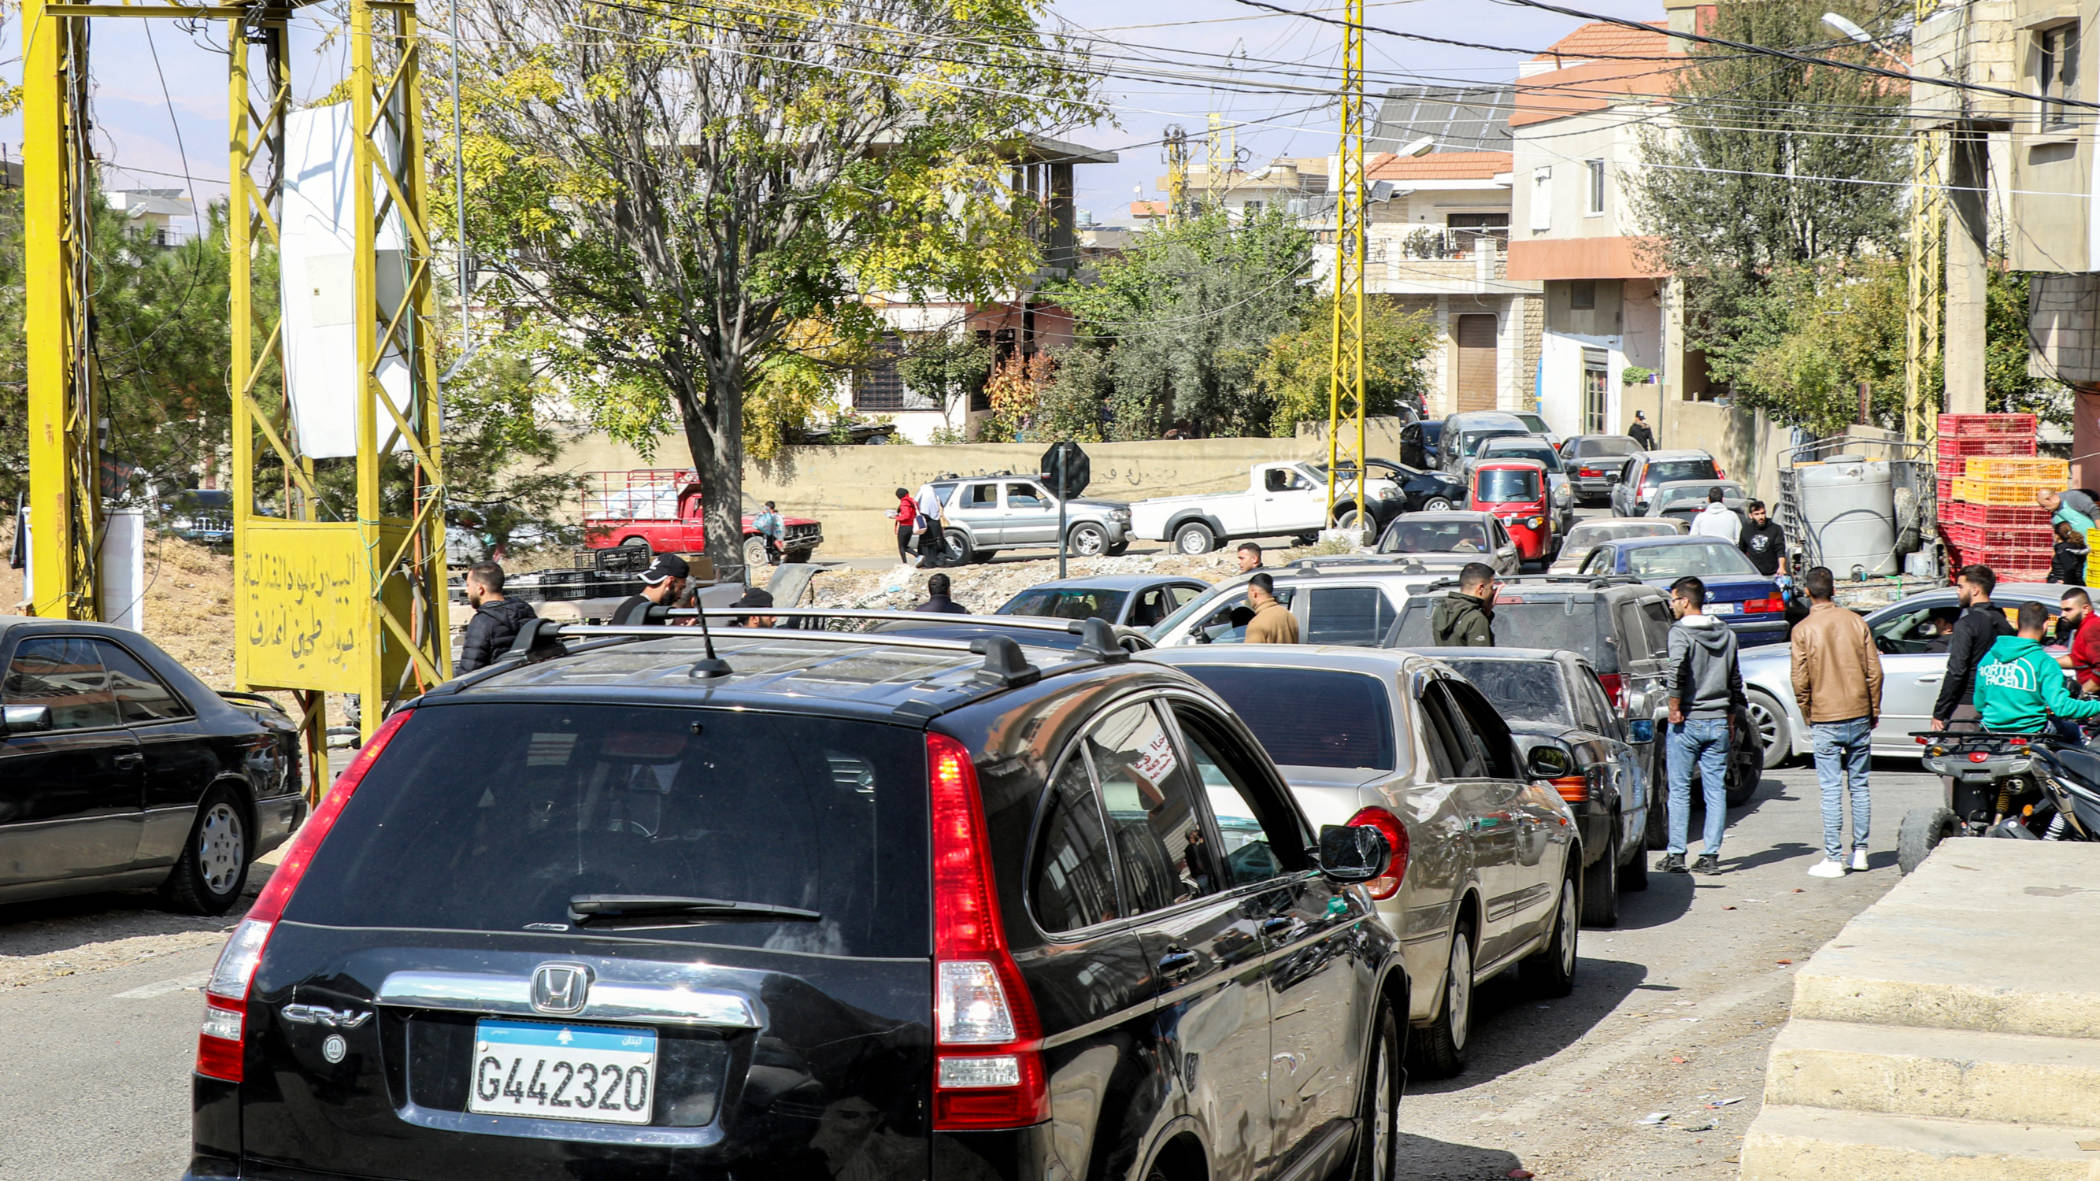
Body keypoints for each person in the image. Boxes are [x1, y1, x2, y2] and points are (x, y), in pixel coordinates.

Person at [1790, 566, 1883, 878]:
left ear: (1807, 592)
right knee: (1859, 785)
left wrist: (1807, 712)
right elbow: (1875, 671)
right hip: (1858, 711)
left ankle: (1833, 857)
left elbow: (1800, 680)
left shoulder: (1802, 630)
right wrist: (1874, 708)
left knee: (1830, 788)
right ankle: (1861, 852)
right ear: (1834, 590)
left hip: (1825, 715)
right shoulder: (1857, 622)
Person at [1660, 575, 1745, 876]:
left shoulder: (1679, 633)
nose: (1672, 606)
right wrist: (1731, 718)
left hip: (1687, 721)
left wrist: (1673, 707)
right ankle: (1710, 856)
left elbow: (1677, 669)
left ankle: (1676, 855)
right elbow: (1735, 679)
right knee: (1715, 791)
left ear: (1685, 600)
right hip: (1720, 720)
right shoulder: (1726, 632)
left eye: (1673, 599)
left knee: (1680, 790)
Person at [1974, 601, 2100, 737]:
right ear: (2046, 625)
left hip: (1990, 730)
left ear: (2017, 624)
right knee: (2075, 732)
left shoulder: (1989, 657)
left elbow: (1979, 704)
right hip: (2032, 731)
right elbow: (2062, 708)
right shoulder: (2044, 662)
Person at [1929, 565, 2014, 732]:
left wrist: (1939, 712)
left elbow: (1956, 670)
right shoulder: (2003, 622)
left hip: (1968, 703)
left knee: (1956, 754)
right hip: (1999, 701)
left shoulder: (1966, 624)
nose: (1958, 592)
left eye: (1961, 587)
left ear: (1975, 590)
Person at [456, 561, 539, 674]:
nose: (466, 590)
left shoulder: (482, 622)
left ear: (480, 589)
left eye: (468, 585)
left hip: (494, 686)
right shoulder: (525, 610)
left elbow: (468, 671)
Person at [1429, 562, 1497, 646]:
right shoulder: (1476, 618)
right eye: (1491, 587)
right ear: (1481, 588)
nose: (1493, 592)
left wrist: (1486, 611)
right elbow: (1481, 656)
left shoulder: (1441, 610)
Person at [614, 553, 690, 623]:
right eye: (680, 588)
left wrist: (675, 625)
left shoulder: (630, 605)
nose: (680, 596)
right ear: (670, 582)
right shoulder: (649, 612)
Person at [2061, 588, 2100, 697]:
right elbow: (2079, 659)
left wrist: (2082, 693)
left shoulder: (2092, 628)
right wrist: (2048, 661)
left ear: (2085, 609)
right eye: (2062, 610)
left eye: (2068, 610)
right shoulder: (2084, 628)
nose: (2062, 614)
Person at [1243, 573, 1299, 643]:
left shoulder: (1257, 624)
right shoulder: (1288, 615)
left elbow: (1250, 653)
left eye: (1248, 592)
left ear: (1254, 593)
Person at [1740, 500, 1787, 578]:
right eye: (1757, 514)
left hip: (1773, 572)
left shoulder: (1775, 529)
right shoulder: (1746, 530)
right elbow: (1742, 551)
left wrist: (1781, 567)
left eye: (1762, 513)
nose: (1761, 517)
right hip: (1754, 574)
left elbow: (1780, 550)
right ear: (1751, 516)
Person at [914, 481, 948, 569]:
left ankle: (928, 562)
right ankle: (938, 561)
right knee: (936, 544)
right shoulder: (936, 497)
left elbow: (922, 511)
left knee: (926, 545)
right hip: (936, 523)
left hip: (927, 525)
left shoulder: (924, 499)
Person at [2051, 519, 2088, 587]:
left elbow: (2069, 568)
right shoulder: (2078, 546)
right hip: (2078, 582)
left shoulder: (2063, 550)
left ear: (2057, 536)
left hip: (2062, 586)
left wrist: (2066, 584)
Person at [889, 487, 918, 565]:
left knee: (901, 547)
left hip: (904, 526)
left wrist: (895, 517)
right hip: (911, 526)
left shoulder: (904, 503)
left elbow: (906, 516)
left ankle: (905, 563)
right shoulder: (913, 501)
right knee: (905, 546)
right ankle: (918, 556)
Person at [754, 500, 785, 565]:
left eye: (765, 507)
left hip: (773, 535)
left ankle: (774, 562)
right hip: (772, 534)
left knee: (772, 548)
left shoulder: (774, 516)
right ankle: (772, 561)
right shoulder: (774, 515)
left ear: (768, 507)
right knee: (770, 548)